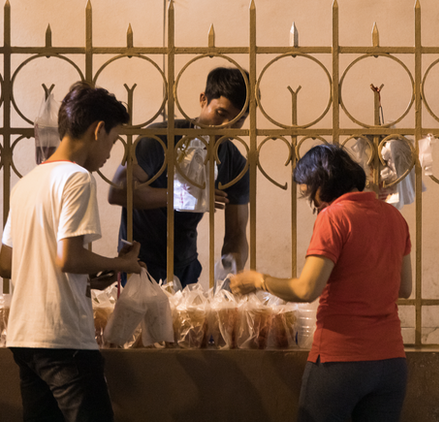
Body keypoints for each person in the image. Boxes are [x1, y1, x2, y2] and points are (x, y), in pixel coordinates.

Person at [231, 144, 413, 422]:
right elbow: (404, 289)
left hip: (340, 361)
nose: (313, 203)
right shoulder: (395, 218)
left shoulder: (335, 217)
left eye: (309, 193)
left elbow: (306, 289)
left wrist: (260, 280)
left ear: (322, 184)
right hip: (390, 363)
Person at [0, 82, 142, 422]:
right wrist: (122, 263)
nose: (110, 154)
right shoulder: (78, 178)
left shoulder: (26, 183)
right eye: (113, 141)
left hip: (24, 337)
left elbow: (7, 264)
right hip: (63, 338)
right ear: (97, 130)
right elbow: (69, 258)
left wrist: (87, 276)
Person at [108, 66, 250, 286]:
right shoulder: (157, 139)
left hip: (185, 266)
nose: (227, 126)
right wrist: (185, 195)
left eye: (238, 120)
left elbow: (237, 233)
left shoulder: (235, 162)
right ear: (203, 100)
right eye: (221, 114)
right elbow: (117, 191)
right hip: (137, 264)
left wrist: (231, 270)